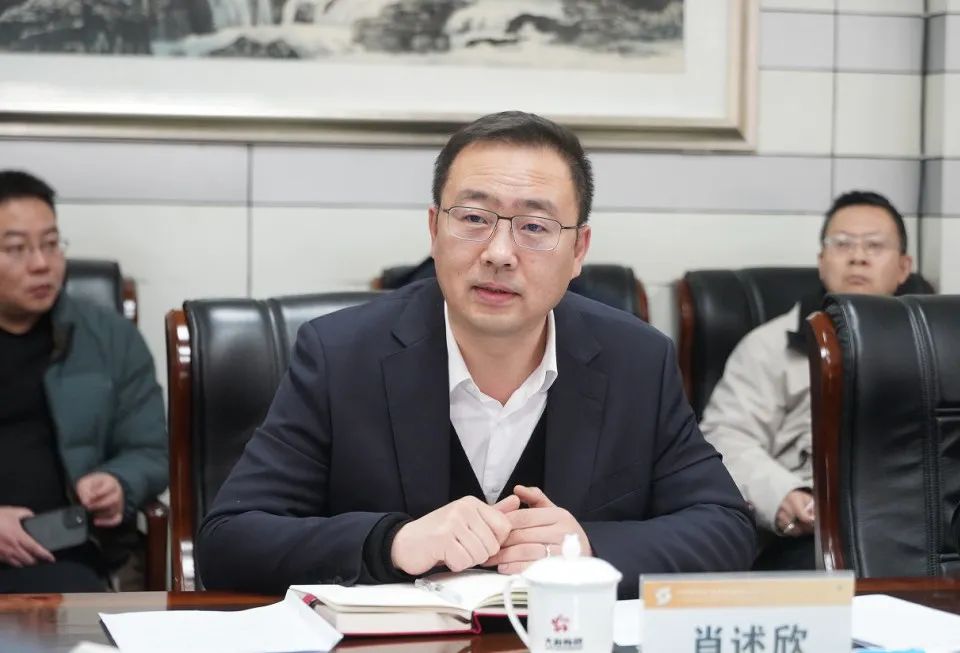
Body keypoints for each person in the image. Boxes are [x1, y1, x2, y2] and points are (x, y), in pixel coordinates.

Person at [197, 111, 755, 598]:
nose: (499, 253)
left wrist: (585, 546)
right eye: (473, 218)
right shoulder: (340, 355)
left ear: (578, 250)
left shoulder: (637, 360)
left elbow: (726, 527)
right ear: (434, 228)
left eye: (534, 226)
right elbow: (229, 541)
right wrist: (392, 542)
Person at [700, 190, 914, 570]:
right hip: (809, 533)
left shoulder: (936, 345)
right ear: (821, 262)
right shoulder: (768, 346)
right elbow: (725, 436)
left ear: (903, 266)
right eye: (842, 244)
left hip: (917, 526)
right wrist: (783, 495)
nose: (858, 257)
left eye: (875, 246)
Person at [0, 170, 168, 593]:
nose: (41, 264)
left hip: (66, 554)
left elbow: (151, 449)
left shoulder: (110, 338)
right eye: (16, 249)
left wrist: (119, 482)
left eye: (51, 244)